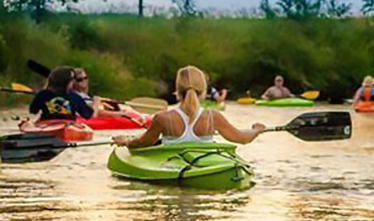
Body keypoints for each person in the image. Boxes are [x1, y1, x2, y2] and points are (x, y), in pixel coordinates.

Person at [113, 65, 266, 148]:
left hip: (171, 167)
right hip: (203, 165)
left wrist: (126, 141)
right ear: (204, 91)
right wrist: (256, 130)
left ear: (177, 90)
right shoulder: (213, 117)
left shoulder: (162, 118)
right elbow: (242, 138)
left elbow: (143, 143)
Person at [29, 66, 98, 121]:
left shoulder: (42, 94)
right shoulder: (74, 97)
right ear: (67, 82)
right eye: (72, 80)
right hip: (69, 125)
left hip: (47, 123)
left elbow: (33, 111)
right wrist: (96, 102)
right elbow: (88, 115)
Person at [72, 67, 140, 121]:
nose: (84, 81)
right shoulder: (77, 96)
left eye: (85, 78)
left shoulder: (83, 95)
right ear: (74, 82)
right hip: (85, 121)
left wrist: (102, 104)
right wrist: (118, 114)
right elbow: (95, 113)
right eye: (80, 80)